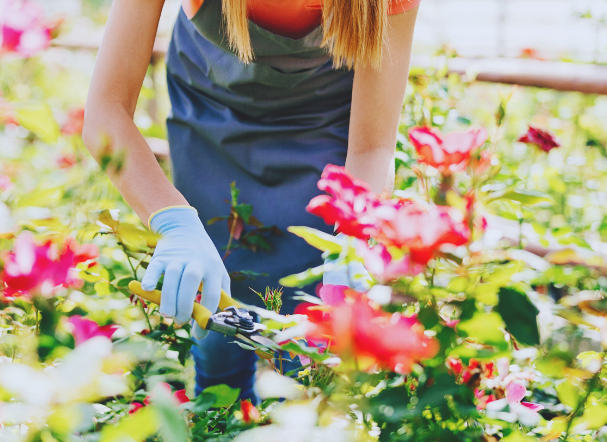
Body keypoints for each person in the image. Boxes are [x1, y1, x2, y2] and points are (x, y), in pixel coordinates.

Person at [83, 0, 420, 400]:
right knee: (217, 320)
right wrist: (172, 220)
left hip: (325, 123)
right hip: (211, 110)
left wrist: (354, 235)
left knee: (313, 348)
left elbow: (371, 147)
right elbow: (106, 111)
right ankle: (218, 411)